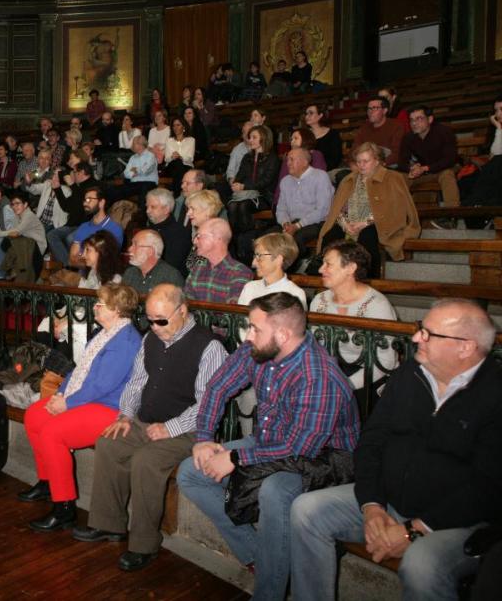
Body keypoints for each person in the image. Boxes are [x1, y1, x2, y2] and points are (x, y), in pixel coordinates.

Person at [290, 299, 501, 601]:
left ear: (465, 347)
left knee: (422, 564)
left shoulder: (494, 394)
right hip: (388, 500)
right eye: (420, 329)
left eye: (428, 334)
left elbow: (488, 486)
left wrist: (414, 530)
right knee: (306, 510)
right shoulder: (409, 374)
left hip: (455, 522)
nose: (416, 338)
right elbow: (372, 441)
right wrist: (372, 505)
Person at [177, 293, 360, 601]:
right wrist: (205, 438)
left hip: (323, 460)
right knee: (191, 473)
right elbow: (218, 386)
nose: (248, 335)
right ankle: (260, 558)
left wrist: (236, 457)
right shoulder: (259, 349)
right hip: (271, 443)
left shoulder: (318, 376)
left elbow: (300, 447)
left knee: (275, 491)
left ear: (283, 335)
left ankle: (268, 592)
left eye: (255, 328)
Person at [74, 284, 228, 571]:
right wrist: (125, 415)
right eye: (150, 320)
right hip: (146, 420)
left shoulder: (209, 347)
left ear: (182, 311)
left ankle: (144, 543)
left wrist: (170, 428)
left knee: (146, 461)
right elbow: (136, 383)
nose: (155, 327)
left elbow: (208, 405)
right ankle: (109, 524)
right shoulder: (150, 339)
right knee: (109, 443)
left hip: (189, 430)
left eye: (161, 320)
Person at [19, 284, 143, 532]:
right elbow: (79, 370)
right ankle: (48, 481)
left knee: (53, 432)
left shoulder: (126, 341)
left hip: (108, 407)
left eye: (101, 304)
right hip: (85, 399)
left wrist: (67, 403)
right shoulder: (104, 332)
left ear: (117, 310)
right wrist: (60, 393)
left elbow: (102, 385)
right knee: (34, 416)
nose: (95, 307)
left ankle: (64, 508)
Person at [318, 142, 420, 279]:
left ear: (377, 161)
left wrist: (366, 223)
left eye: (366, 161)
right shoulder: (349, 179)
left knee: (367, 238)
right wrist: (344, 223)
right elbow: (338, 209)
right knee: (330, 237)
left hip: (376, 224)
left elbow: (396, 210)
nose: (361, 165)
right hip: (349, 223)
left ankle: (369, 281)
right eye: (358, 161)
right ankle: (329, 277)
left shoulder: (392, 178)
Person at [309, 240, 398, 394]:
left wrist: (346, 385)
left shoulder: (376, 305)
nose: (320, 269)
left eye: (328, 264)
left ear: (350, 268)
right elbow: (314, 348)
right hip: (330, 373)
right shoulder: (319, 300)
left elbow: (386, 361)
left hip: (368, 378)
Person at [274, 147, 334, 261]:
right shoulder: (285, 181)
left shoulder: (320, 177)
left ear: (305, 162)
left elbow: (322, 210)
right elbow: (281, 208)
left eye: (292, 159)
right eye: (287, 160)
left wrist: (298, 225)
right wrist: (285, 223)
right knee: (268, 237)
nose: (288, 163)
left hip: (316, 222)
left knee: (296, 240)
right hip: (291, 223)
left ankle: (298, 266)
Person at [400, 105, 460, 208]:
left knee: (447, 175)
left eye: (419, 119)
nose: (414, 123)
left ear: (430, 119)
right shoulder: (408, 138)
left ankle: (452, 213)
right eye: (411, 120)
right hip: (422, 173)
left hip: (443, 169)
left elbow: (449, 160)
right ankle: (395, 213)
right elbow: (402, 162)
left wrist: (426, 168)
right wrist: (411, 168)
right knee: (397, 178)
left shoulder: (444, 132)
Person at [227, 126, 280, 236]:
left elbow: (266, 181)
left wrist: (244, 186)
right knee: (232, 206)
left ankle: (248, 239)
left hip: (265, 196)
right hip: (247, 194)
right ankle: (236, 240)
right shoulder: (247, 157)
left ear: (264, 138)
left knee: (243, 206)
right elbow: (240, 175)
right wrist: (235, 184)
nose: (250, 140)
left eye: (254, 137)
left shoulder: (272, 158)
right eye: (249, 137)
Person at [66, 185, 124, 271]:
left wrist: (84, 261)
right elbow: (72, 258)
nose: (85, 203)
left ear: (101, 202)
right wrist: (91, 262)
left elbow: (110, 261)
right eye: (84, 200)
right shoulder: (83, 227)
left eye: (89, 199)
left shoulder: (115, 229)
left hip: (103, 277)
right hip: (82, 276)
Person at [144, 188, 191, 276]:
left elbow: (171, 265)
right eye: (147, 206)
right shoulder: (147, 230)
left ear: (166, 209)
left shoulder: (180, 233)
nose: (147, 211)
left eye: (153, 207)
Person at [121, 230, 184, 294]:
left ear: (150, 251)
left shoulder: (170, 277)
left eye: (135, 245)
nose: (129, 249)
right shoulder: (130, 273)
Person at [353, 96, 405, 169]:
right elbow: (355, 149)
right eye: (369, 108)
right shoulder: (364, 128)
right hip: (364, 165)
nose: (370, 112)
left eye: (375, 108)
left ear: (384, 110)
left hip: (387, 166)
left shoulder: (396, 126)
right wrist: (353, 163)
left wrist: (378, 164)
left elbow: (397, 153)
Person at [303, 103, 343, 172]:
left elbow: (336, 158)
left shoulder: (333, 134)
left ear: (320, 115)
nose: (307, 116)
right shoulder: (303, 135)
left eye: (311, 113)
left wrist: (320, 170)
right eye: (306, 114)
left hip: (327, 170)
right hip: (306, 171)